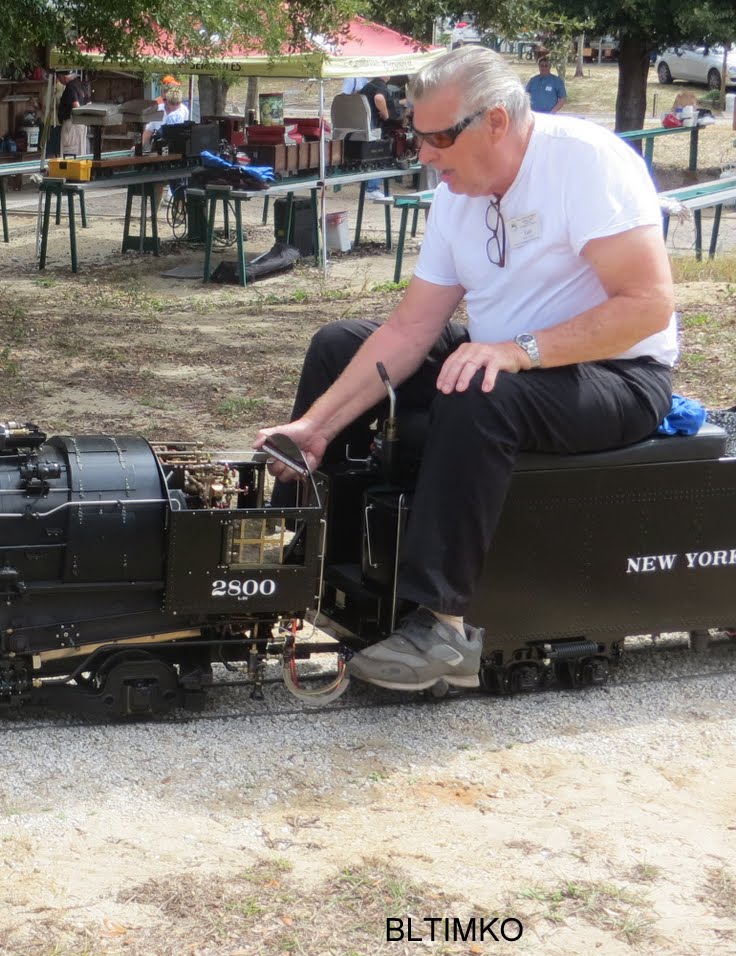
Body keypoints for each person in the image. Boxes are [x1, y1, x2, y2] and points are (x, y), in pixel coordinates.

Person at [254, 46, 675, 692]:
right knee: (341, 345)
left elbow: (647, 307)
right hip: (506, 358)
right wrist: (316, 426)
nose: (424, 154)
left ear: (497, 123)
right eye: (415, 136)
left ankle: (442, 627)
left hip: (617, 374)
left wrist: (519, 350)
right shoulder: (458, 191)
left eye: (439, 137)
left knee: (479, 385)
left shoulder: (586, 164)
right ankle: (297, 560)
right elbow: (412, 329)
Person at [141, 86, 191, 151]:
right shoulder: (156, 109)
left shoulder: (184, 110)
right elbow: (149, 130)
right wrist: (140, 146)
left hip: (176, 147)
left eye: (169, 100)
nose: (167, 102)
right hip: (159, 146)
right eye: (164, 99)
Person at [57, 72, 91, 158]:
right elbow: (89, 103)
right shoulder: (81, 85)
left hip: (72, 124)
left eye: (59, 78)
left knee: (70, 152)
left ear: (63, 76)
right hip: (82, 123)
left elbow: (76, 106)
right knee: (80, 151)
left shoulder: (70, 87)